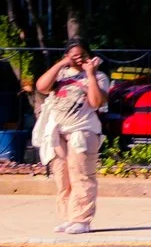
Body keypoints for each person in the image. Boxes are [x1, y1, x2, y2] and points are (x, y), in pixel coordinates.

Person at [34, 44, 111, 235]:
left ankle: (82, 219)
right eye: (73, 55)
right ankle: (69, 217)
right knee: (63, 177)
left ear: (88, 57)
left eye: (82, 55)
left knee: (82, 175)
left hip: (82, 131)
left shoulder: (99, 77)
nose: (78, 58)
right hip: (58, 132)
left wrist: (90, 74)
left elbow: (96, 102)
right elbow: (41, 87)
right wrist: (62, 64)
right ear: (67, 56)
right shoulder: (61, 74)